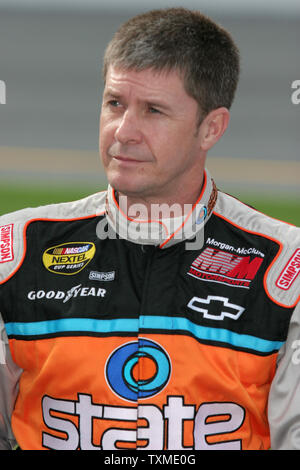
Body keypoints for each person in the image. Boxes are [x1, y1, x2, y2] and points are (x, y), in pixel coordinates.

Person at [0, 7, 299, 451]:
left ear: (210, 128)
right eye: (114, 103)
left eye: (154, 110)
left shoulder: (284, 266)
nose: (124, 131)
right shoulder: (14, 252)